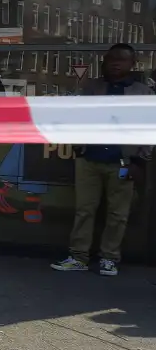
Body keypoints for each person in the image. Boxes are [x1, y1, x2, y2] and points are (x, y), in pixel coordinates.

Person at [51, 43, 153, 276]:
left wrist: (140, 161)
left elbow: (150, 129)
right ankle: (78, 257)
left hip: (123, 161)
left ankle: (109, 258)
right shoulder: (91, 87)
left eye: (122, 59)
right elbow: (75, 117)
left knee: (118, 213)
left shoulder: (143, 92)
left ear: (132, 64)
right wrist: (78, 147)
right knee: (84, 210)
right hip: (89, 159)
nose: (116, 63)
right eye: (111, 59)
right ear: (104, 62)